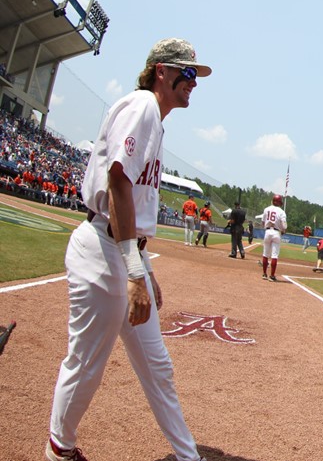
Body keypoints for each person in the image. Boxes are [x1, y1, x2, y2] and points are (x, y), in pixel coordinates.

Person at [45, 38, 210, 461]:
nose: (193, 81)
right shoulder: (142, 108)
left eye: (195, 75)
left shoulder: (154, 116)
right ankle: (59, 450)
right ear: (161, 71)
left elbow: (132, 199)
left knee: (157, 366)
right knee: (85, 365)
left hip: (122, 252)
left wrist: (144, 270)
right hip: (103, 253)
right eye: (186, 73)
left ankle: (187, 455)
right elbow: (117, 182)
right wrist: (135, 272)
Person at [260, 194, 287, 282]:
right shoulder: (281, 211)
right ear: (279, 202)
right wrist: (283, 230)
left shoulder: (266, 209)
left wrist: (266, 227)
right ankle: (272, 276)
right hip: (276, 232)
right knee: (274, 255)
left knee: (265, 254)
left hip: (267, 231)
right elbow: (284, 225)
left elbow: (263, 222)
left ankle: (264, 274)